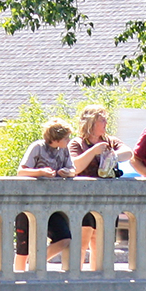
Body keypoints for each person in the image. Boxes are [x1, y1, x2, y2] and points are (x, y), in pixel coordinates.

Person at [17, 120, 80, 269]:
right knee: (23, 248)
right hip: (28, 203)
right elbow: (21, 171)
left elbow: (73, 169)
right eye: (66, 138)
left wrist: (67, 172)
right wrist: (40, 172)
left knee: (64, 238)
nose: (68, 140)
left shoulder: (64, 150)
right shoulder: (38, 147)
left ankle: (35, 264)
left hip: (52, 205)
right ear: (55, 138)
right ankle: (18, 276)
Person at [68, 102, 123, 266]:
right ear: (91, 122)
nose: (106, 123)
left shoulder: (110, 141)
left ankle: (96, 278)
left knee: (101, 245)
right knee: (82, 242)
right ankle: (75, 278)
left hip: (107, 199)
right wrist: (93, 151)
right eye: (102, 120)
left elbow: (129, 153)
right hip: (83, 199)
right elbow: (75, 166)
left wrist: (111, 155)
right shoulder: (77, 143)